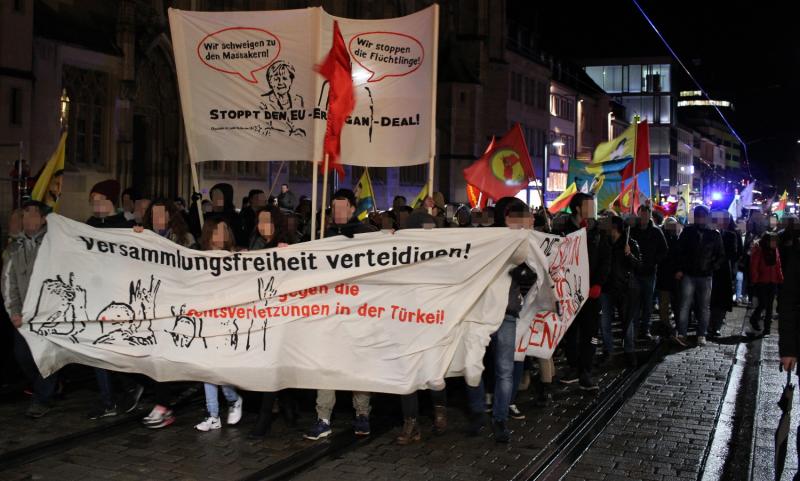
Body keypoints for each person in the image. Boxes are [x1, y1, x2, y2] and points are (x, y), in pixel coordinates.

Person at [305, 189, 377, 440]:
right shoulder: (321, 236)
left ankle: (362, 414)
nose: (337, 212)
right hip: (329, 312)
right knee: (326, 365)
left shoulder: (368, 235)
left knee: (358, 363)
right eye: (333, 207)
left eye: (342, 207)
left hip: (358, 311)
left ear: (352, 208)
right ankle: (323, 417)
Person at [466, 198, 535, 443]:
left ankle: (500, 417)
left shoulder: (525, 242)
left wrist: (521, 268)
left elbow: (533, 272)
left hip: (506, 312)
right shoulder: (485, 238)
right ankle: (477, 411)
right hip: (481, 312)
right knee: (471, 363)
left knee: (505, 369)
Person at [86, 180, 142, 419]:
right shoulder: (87, 226)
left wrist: (140, 235)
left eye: (101, 199)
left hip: (118, 297)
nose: (96, 204)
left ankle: (127, 386)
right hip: (95, 295)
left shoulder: (124, 226)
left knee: (111, 348)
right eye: (93, 200)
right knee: (98, 349)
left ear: (111, 201)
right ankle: (115, 396)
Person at [395, 211, 449, 445]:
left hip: (432, 322)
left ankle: (439, 410)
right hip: (406, 323)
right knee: (407, 375)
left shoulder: (444, 254)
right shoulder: (400, 254)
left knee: (434, 372)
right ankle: (411, 423)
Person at [2, 201, 58, 417]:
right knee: (23, 356)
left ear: (43, 219)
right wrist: (13, 312)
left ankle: (42, 399)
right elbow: (9, 284)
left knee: (45, 357)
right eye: (25, 216)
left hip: (48, 315)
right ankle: (49, 386)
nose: (29, 220)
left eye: (34, 216)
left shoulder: (54, 244)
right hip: (24, 316)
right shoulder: (13, 248)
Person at [557, 193, 611, 391]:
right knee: (570, 332)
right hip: (570, 291)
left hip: (591, 293)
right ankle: (572, 366)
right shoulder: (564, 229)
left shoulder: (599, 230)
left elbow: (606, 259)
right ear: (578, 208)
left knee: (590, 332)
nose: (593, 208)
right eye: (589, 205)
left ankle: (586, 371)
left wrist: (598, 283)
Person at [195, 218, 244, 431]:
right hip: (207, 319)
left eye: (224, 231)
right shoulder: (197, 257)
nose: (220, 236)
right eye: (216, 232)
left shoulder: (236, 255)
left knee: (217, 368)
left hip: (228, 320)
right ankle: (213, 414)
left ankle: (232, 399)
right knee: (207, 368)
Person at [673, 205, 725, 347]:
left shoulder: (714, 234)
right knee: (684, 305)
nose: (700, 218)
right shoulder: (688, 232)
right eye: (698, 216)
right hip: (688, 274)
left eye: (702, 216)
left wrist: (712, 267)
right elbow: (679, 251)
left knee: (703, 306)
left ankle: (701, 334)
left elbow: (720, 255)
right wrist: (680, 269)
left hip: (705, 275)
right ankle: (682, 333)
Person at [601, 215, 642, 368]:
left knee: (627, 321)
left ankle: (629, 350)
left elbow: (638, 265)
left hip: (624, 288)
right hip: (606, 288)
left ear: (615, 228)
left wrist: (629, 254)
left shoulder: (630, 243)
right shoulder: (604, 242)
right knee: (605, 322)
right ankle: (609, 351)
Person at [630, 204, 668, 340]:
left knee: (647, 303)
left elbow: (664, 250)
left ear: (649, 215)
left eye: (646, 214)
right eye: (641, 214)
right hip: (634, 272)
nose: (643, 216)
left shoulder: (656, 232)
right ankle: (633, 330)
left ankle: (645, 329)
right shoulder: (632, 230)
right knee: (634, 303)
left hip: (649, 273)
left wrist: (653, 261)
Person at [708, 211, 739, 338]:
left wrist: (721, 259)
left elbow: (734, 253)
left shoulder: (731, 235)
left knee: (721, 300)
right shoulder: (710, 234)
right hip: (710, 270)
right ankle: (709, 324)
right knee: (710, 299)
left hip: (724, 270)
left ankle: (716, 326)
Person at [749, 231, 783, 335]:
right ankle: (754, 318)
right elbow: (754, 266)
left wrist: (780, 278)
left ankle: (767, 329)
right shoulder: (759, 250)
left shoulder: (775, 250)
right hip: (761, 281)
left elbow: (778, 265)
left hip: (772, 281)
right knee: (763, 303)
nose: (774, 243)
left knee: (769, 306)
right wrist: (754, 279)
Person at [656, 217, 682, 338]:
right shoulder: (663, 238)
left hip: (676, 277)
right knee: (664, 303)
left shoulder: (679, 238)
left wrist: (680, 270)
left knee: (676, 303)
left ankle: (677, 325)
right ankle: (666, 325)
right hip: (665, 276)